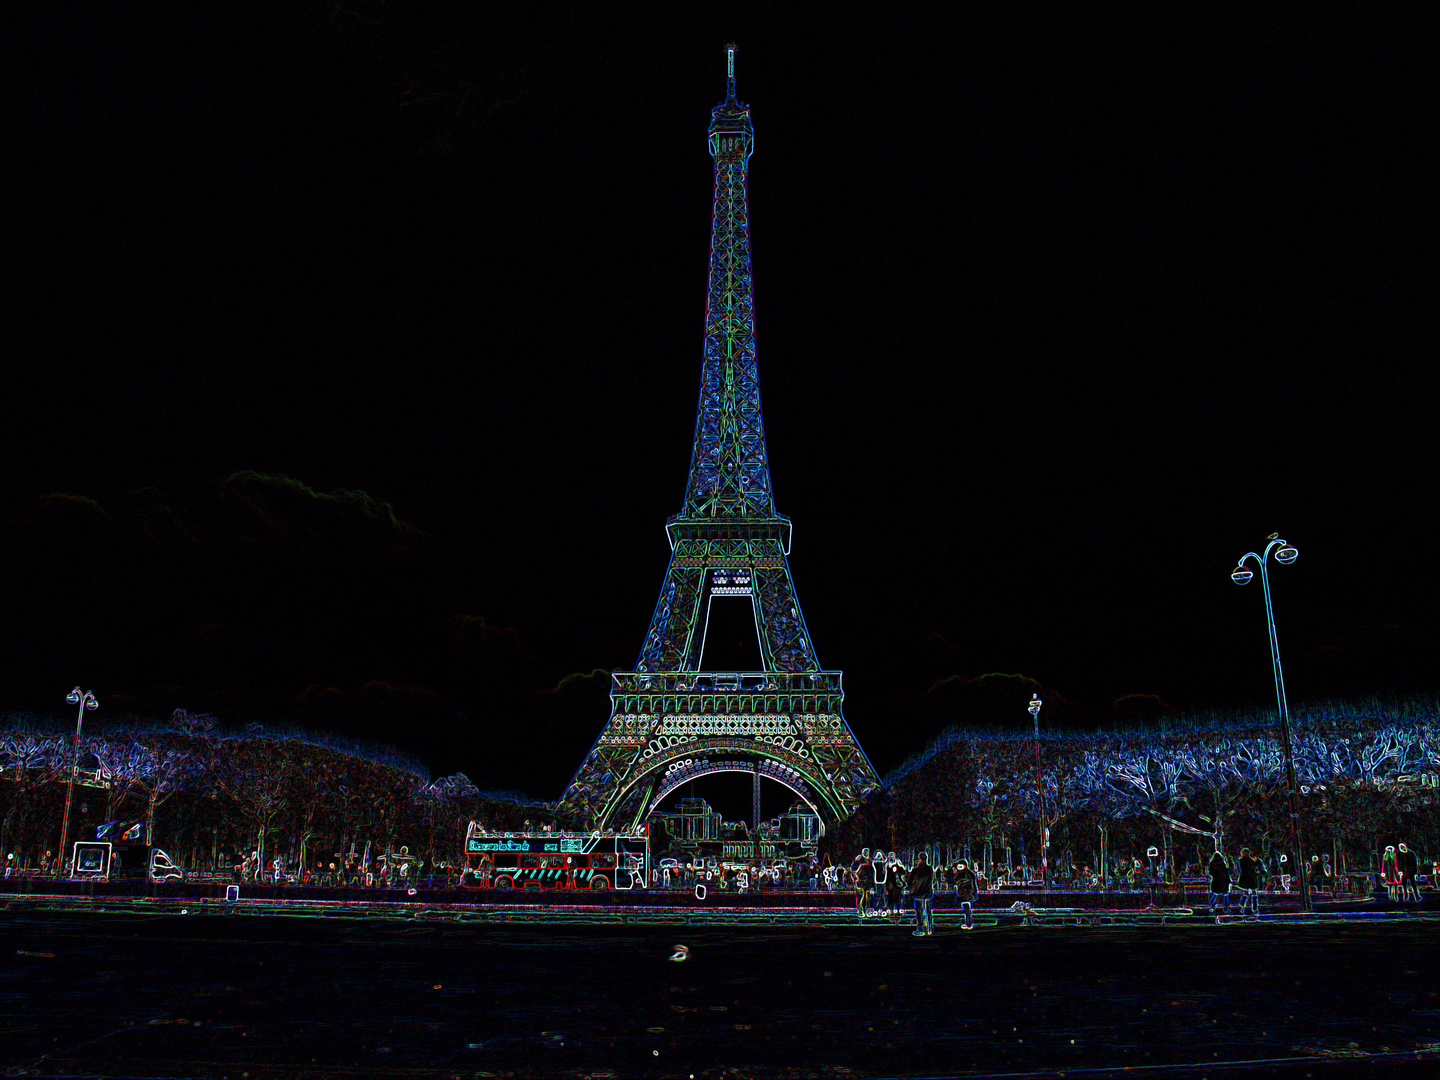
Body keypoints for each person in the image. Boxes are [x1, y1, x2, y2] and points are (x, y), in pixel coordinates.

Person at [908, 851, 934, 936]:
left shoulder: (915, 870)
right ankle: (929, 928)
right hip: (927, 892)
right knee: (927, 911)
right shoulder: (929, 869)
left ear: (919, 859)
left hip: (918, 893)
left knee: (919, 911)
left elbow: (910, 881)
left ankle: (921, 928)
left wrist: (911, 890)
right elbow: (931, 881)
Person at [1235, 847, 1260, 915]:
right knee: (1254, 893)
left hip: (1244, 877)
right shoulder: (1251, 861)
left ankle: (1242, 905)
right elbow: (1255, 869)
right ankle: (1254, 907)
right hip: (1251, 877)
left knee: (1245, 892)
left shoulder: (1240, 861)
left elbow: (1238, 870)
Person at [1207, 850, 1231, 917]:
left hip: (1216, 881)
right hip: (1223, 882)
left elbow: (1210, 873)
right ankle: (1226, 907)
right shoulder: (1222, 864)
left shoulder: (1212, 865)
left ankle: (1212, 907)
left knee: (1215, 895)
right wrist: (1229, 881)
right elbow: (1226, 874)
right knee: (1225, 895)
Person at [955, 860, 978, 930]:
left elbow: (957, 881)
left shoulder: (964, 874)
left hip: (965, 894)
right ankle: (968, 923)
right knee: (967, 909)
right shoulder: (969, 874)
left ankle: (968, 923)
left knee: (967, 909)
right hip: (968, 893)